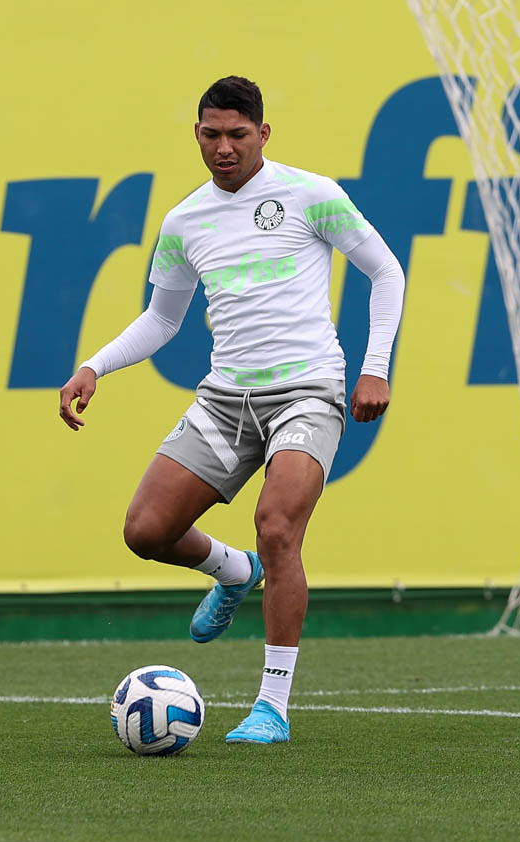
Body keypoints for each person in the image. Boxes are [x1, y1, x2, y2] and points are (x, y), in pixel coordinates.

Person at [58, 76, 406, 744]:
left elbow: (385, 271)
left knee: (278, 526)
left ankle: (271, 706)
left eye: (237, 135)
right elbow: (163, 319)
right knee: (145, 531)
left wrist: (375, 367)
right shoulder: (183, 221)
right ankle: (231, 569)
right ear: (197, 133)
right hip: (226, 400)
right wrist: (94, 365)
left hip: (308, 391)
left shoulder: (313, 195)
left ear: (263, 135)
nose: (224, 148)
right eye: (211, 135)